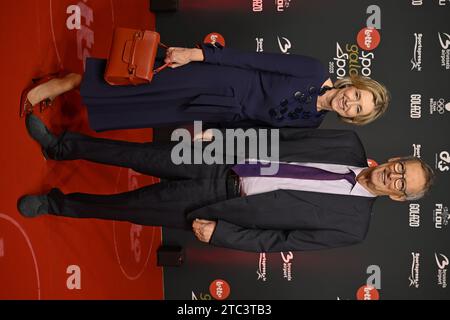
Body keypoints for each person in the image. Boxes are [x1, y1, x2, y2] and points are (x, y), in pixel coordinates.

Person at [17, 115, 434, 253]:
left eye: (402, 182)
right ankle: (60, 147)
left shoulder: (352, 229)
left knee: (129, 208)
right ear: (395, 159)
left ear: (398, 197)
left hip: (221, 205)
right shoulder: (348, 141)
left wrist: (224, 235)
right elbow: (276, 136)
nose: (394, 175)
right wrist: (220, 135)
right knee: (134, 155)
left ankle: (56, 205)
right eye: (400, 167)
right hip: (222, 159)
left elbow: (282, 242)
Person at [20, 43, 390, 130]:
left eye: (358, 109)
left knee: (147, 110)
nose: (350, 102)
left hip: (217, 110)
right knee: (143, 87)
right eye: (357, 95)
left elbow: (256, 125)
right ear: (353, 83)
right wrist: (198, 55)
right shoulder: (313, 70)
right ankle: (70, 81)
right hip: (219, 77)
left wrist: (210, 131)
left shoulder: (313, 123)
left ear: (353, 118)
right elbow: (253, 60)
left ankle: (79, 92)